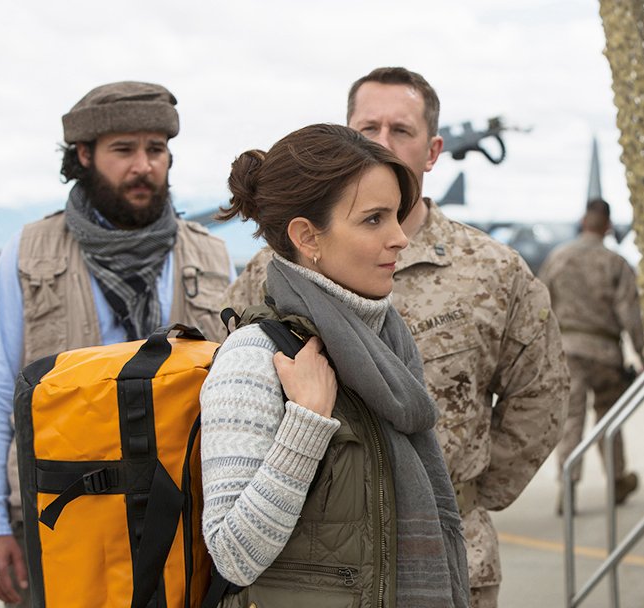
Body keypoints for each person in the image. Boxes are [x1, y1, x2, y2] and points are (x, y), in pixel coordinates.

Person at [223, 67, 569, 608]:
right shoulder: (274, 273)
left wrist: (464, 491)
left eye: (401, 130)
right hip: (326, 572)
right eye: (368, 129)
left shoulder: (493, 270)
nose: (382, 142)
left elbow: (542, 393)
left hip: (452, 557)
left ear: (432, 151)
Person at [201, 123, 469, 607]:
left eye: (396, 216)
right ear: (308, 237)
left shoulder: (385, 344)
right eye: (373, 220)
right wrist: (305, 423)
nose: (399, 238)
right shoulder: (254, 358)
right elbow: (232, 556)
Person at [0, 81, 232, 606]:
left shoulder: (213, 257)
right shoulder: (26, 254)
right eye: (123, 150)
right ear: (84, 155)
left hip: (187, 514)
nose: (143, 166)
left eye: (156, 150)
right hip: (61, 515)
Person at [538, 198, 643, 514]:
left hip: (567, 351)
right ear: (607, 226)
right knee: (609, 419)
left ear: (584, 222)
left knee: (572, 420)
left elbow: (539, 305)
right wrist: (643, 354)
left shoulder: (558, 258)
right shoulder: (616, 263)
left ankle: (568, 487)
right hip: (605, 354)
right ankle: (617, 480)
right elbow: (630, 315)